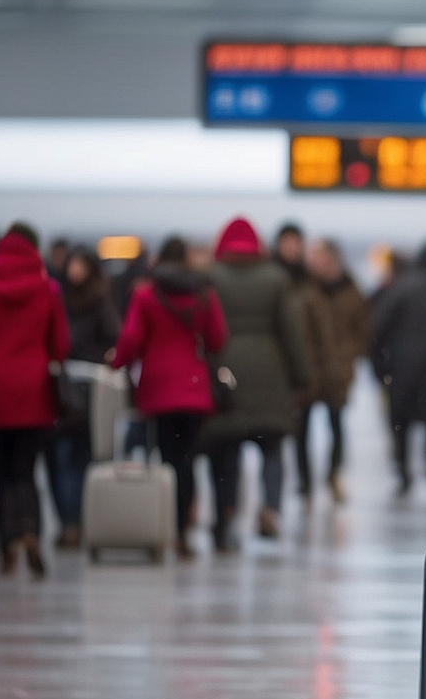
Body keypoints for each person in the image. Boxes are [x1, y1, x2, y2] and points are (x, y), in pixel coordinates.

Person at [199, 218, 311, 549]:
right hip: (270, 373)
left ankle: (227, 517)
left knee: (226, 453)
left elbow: (202, 328)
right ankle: (270, 508)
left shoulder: (211, 278)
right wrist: (301, 375)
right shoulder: (277, 279)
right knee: (272, 448)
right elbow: (292, 331)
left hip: (225, 370)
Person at [111, 236, 224, 560]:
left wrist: (117, 363)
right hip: (193, 388)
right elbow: (217, 339)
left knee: (165, 460)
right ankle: (182, 533)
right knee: (186, 461)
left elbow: (131, 338)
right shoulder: (204, 294)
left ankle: (163, 528)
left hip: (158, 390)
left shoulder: (146, 295)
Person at [0, 226, 70, 577]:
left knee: (2, 470)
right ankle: (30, 529)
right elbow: (60, 345)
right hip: (33, 390)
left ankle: (7, 544)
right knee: (26, 470)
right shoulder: (47, 289)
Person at [46, 245, 120, 549]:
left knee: (81, 458)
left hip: (88, 389)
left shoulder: (99, 301)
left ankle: (79, 521)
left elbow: (113, 338)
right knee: (62, 459)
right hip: (63, 387)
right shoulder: (58, 298)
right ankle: (68, 522)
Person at [371, 242, 426, 497]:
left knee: (399, 423)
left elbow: (376, 328)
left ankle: (404, 474)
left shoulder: (401, 287)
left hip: (401, 367)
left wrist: (380, 368)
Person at [273, 222, 336, 511]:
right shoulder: (274, 279)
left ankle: (305, 483)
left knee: (302, 430)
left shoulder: (309, 284)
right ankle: (290, 488)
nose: (292, 248)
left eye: (295, 242)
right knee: (277, 434)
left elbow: (322, 331)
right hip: (276, 369)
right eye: (287, 242)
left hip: (304, 369)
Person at [304, 240, 368, 504]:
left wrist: (350, 356)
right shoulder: (305, 290)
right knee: (301, 427)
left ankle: (333, 475)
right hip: (309, 368)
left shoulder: (352, 293)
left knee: (336, 424)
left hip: (338, 369)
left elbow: (362, 331)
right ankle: (305, 483)